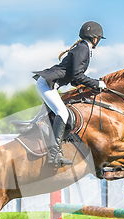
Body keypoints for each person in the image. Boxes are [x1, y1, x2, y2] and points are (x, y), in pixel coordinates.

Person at [32, 21, 106, 166]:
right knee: (63, 113)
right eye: (98, 39)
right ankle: (54, 155)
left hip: (49, 84)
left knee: (61, 113)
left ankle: (58, 146)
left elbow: (74, 79)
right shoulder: (83, 48)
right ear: (95, 38)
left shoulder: (83, 48)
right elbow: (78, 75)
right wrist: (96, 83)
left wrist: (91, 87)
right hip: (46, 84)